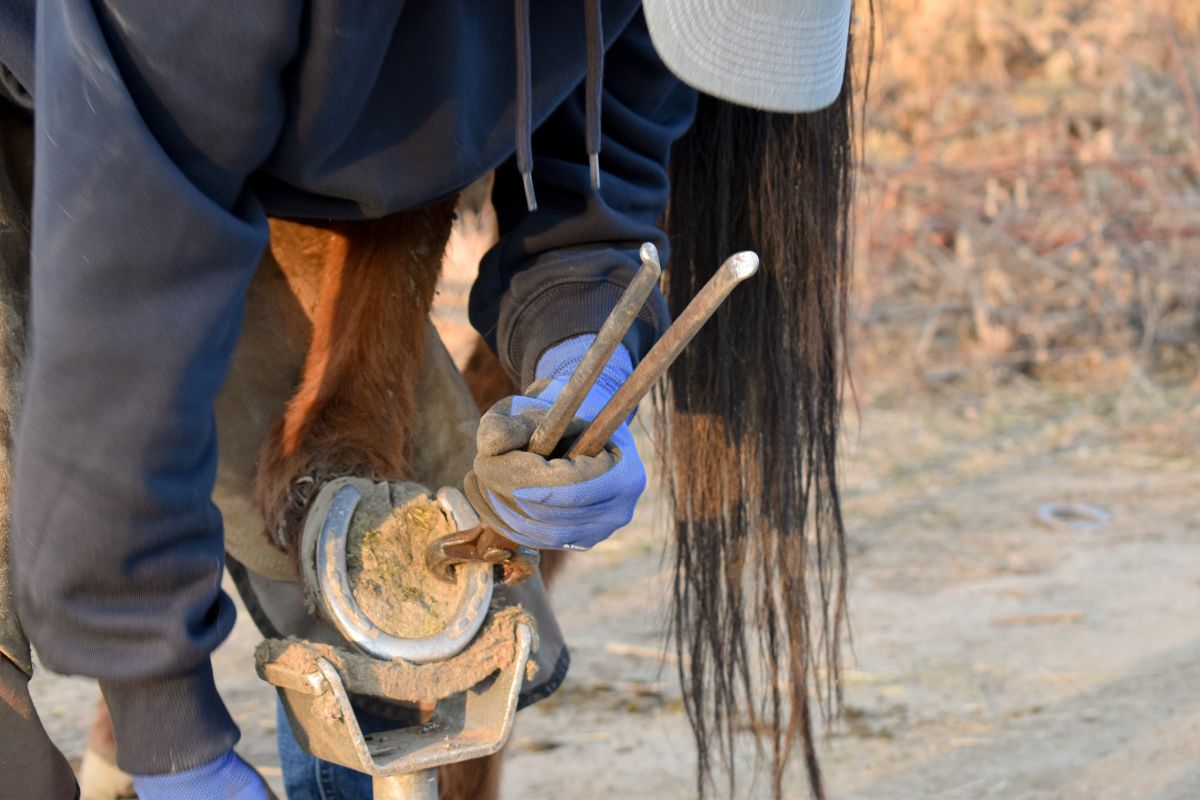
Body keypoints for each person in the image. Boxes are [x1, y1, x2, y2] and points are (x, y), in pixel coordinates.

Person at [0, 1, 854, 797]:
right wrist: (169, 730)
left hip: (250, 109)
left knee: (369, 557)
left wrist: (580, 352)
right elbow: (126, 282)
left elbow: (603, 160)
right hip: (83, 101)